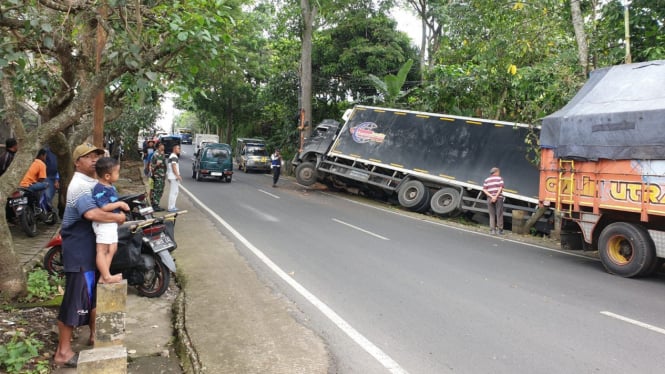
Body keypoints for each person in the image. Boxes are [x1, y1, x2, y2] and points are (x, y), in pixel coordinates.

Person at [53, 143, 127, 368]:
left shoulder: (92, 183)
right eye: (88, 156)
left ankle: (95, 336)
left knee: (91, 296)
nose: (94, 159)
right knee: (75, 301)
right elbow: (91, 213)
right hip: (79, 251)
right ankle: (63, 352)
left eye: (97, 155)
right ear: (77, 162)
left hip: (88, 248)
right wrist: (118, 218)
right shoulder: (80, 186)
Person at [92, 157, 127, 284]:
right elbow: (104, 206)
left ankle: (104, 275)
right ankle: (106, 277)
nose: (118, 175)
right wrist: (120, 205)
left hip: (111, 224)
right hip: (103, 224)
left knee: (112, 248)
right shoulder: (100, 188)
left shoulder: (110, 186)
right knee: (102, 250)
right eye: (117, 172)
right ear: (107, 176)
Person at [483, 167, 505, 235]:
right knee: (499, 214)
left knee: (492, 215)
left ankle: (492, 230)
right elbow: (500, 188)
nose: (499, 173)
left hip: (490, 198)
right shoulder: (500, 178)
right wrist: (495, 196)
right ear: (496, 172)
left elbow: (484, 189)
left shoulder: (486, 180)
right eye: (499, 172)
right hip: (498, 198)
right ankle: (499, 230)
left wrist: (491, 196)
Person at [150, 142, 167, 211]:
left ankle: (155, 204)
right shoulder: (158, 154)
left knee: (157, 190)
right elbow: (158, 164)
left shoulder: (159, 153)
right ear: (159, 146)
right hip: (158, 175)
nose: (163, 146)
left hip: (159, 175)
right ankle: (155, 205)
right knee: (158, 190)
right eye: (162, 145)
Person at [44, 146, 60, 213]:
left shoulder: (60, 151)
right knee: (48, 195)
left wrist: (57, 179)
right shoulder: (46, 151)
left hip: (57, 175)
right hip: (48, 176)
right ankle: (48, 212)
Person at [166, 144, 182, 212]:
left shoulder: (173, 156)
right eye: (178, 148)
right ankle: (171, 207)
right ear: (174, 149)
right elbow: (173, 166)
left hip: (172, 176)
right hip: (173, 176)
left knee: (175, 192)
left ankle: (172, 206)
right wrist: (177, 175)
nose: (179, 150)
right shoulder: (174, 156)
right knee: (173, 192)